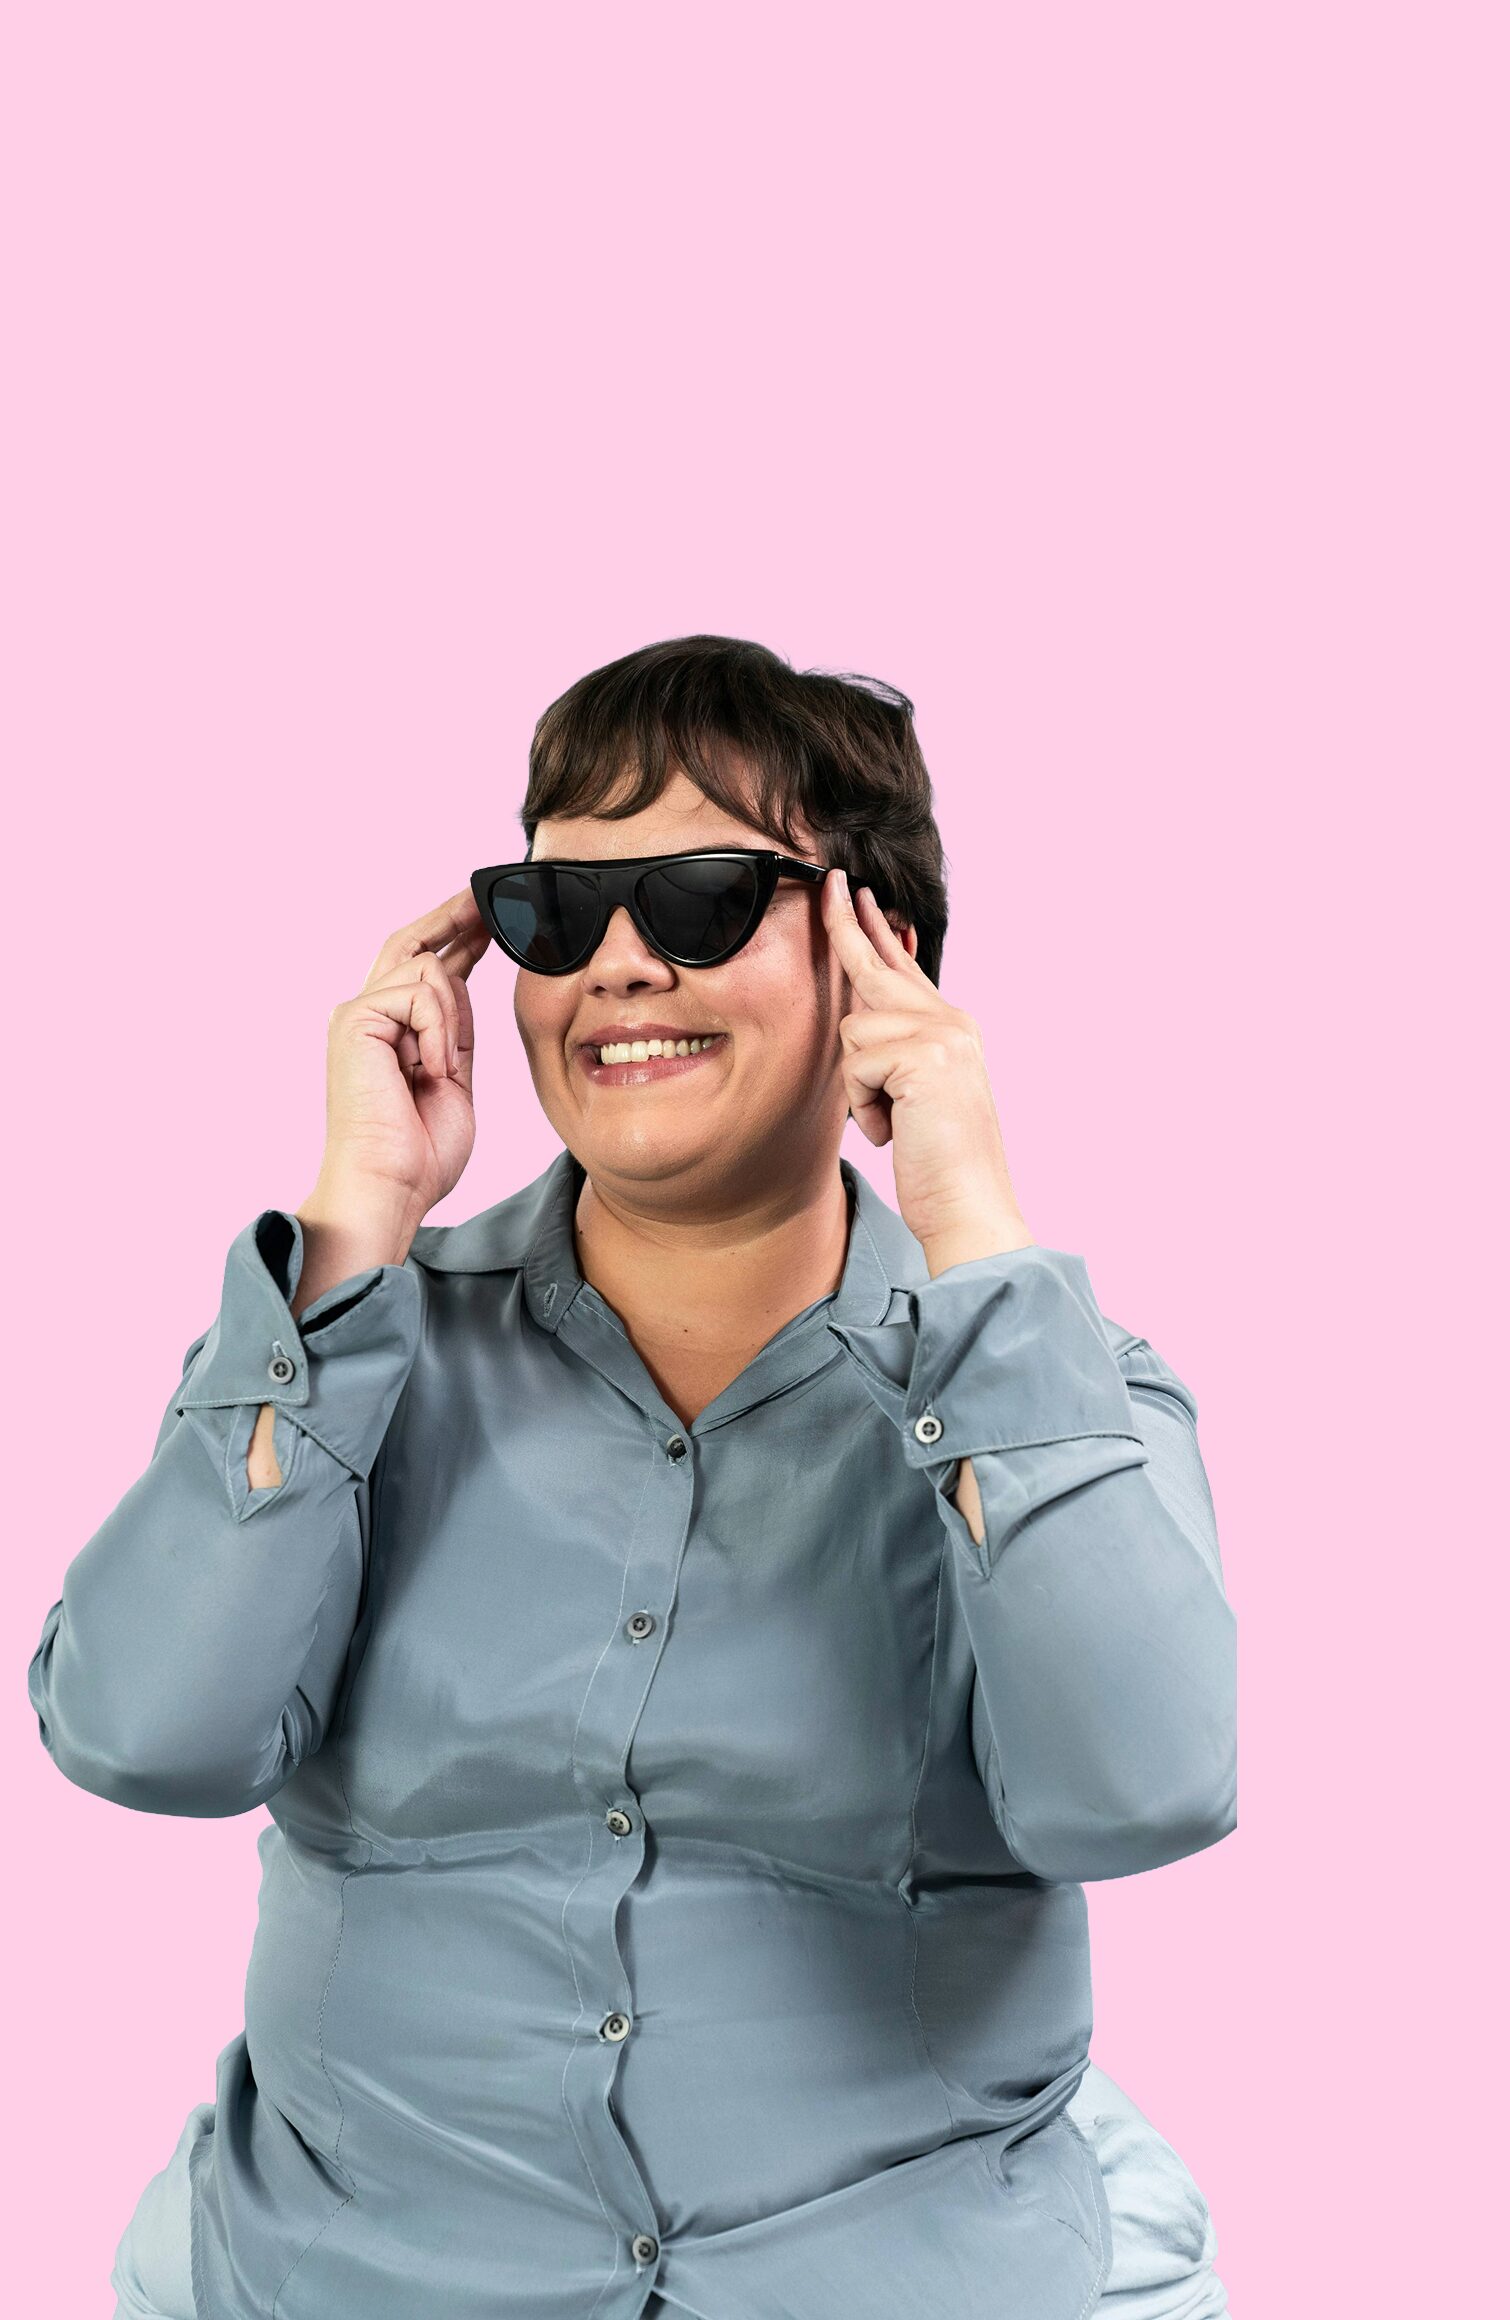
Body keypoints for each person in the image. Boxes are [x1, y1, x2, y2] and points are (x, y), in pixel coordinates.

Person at [31, 636, 1236, 2318]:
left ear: (879, 956)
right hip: (348, 2275)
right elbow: (142, 1738)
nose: (614, 966)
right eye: (554, 910)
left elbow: (1141, 1792)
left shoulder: (1057, 1394)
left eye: (698, 900)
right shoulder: (342, 1355)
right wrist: (354, 1227)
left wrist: (968, 1227)